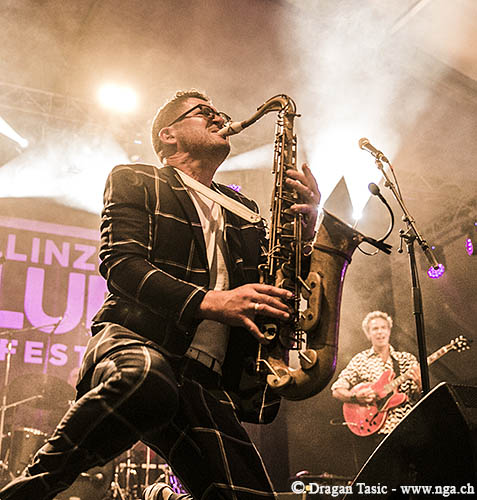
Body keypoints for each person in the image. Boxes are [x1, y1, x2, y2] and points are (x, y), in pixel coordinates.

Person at [0, 89, 320, 500]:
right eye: (204, 112)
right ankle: (30, 489)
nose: (219, 117)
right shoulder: (135, 178)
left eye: (218, 110)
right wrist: (212, 302)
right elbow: (122, 265)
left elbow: (279, 284)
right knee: (148, 380)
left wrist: (304, 233)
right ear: (168, 135)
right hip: (138, 341)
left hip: (207, 378)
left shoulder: (245, 209)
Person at [331, 311, 422, 472]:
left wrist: (421, 384)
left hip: (407, 430)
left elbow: (417, 396)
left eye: (383, 327)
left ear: (389, 331)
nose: (380, 332)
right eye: (375, 329)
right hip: (376, 432)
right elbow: (337, 389)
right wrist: (355, 397)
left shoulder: (406, 359)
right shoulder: (360, 360)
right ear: (368, 334)